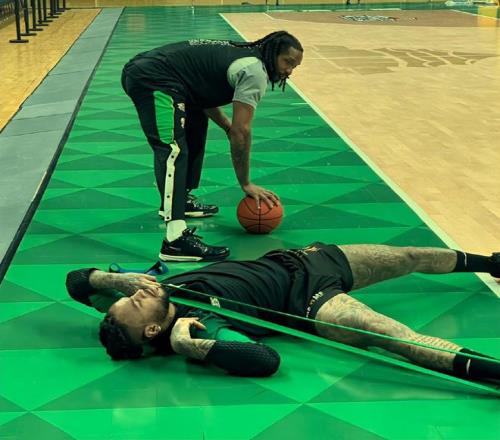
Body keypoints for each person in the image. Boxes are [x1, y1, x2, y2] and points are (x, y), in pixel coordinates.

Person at [66, 242, 500, 381]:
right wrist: (190, 347)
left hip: (301, 259)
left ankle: (492, 262)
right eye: (136, 303)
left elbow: (74, 281)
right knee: (389, 333)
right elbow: (264, 360)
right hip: (309, 302)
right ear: (152, 330)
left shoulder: (147, 293)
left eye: (132, 296)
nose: (139, 293)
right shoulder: (198, 327)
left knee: (407, 256)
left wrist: (112, 281)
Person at [121, 31, 303, 262]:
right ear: (273, 53)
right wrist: (246, 183)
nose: (289, 70)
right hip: (152, 79)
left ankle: (181, 201)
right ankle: (175, 242)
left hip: (164, 76)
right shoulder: (254, 71)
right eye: (287, 62)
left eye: (294, 66)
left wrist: (226, 126)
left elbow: (202, 93)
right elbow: (242, 132)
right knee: (172, 150)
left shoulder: (244, 55)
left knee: (196, 123)